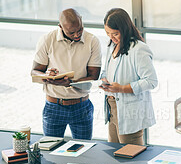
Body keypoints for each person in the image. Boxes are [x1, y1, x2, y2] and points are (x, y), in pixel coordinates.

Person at [31, 8, 101, 140]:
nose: (76, 35)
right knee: (51, 151)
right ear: (60, 27)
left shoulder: (92, 41)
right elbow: (34, 71)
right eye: (71, 32)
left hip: (82, 106)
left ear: (81, 21)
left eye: (80, 29)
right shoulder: (47, 39)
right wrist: (46, 75)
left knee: (84, 152)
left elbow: (94, 76)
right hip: (53, 107)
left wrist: (70, 83)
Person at [99, 8, 158, 145]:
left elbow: (151, 81)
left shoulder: (138, 49)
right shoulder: (112, 46)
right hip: (112, 108)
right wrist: (103, 80)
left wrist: (122, 88)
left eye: (115, 34)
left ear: (124, 29)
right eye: (107, 33)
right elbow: (106, 70)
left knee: (131, 156)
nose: (111, 37)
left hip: (129, 111)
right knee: (115, 155)